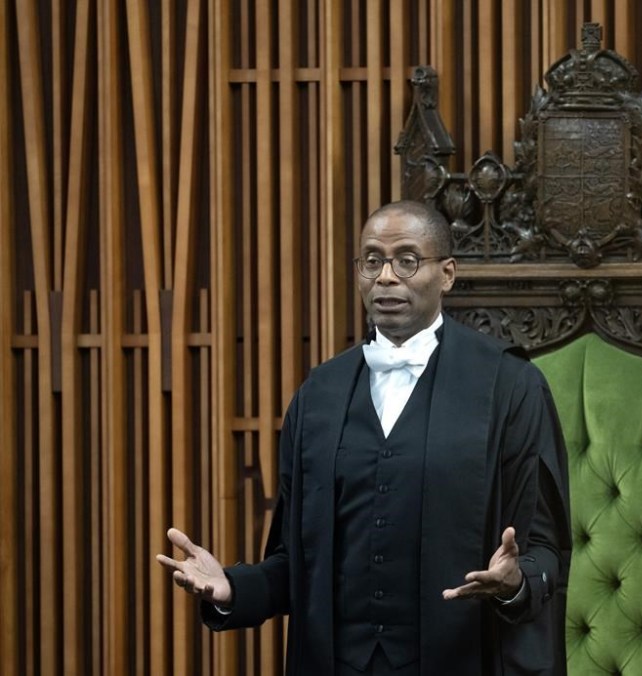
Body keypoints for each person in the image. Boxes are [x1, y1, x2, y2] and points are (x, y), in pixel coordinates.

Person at [157, 200, 572, 675]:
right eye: (372, 261)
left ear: (447, 274)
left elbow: (545, 549)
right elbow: (296, 563)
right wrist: (232, 588)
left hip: (464, 659)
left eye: (407, 260)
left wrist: (515, 583)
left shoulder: (510, 385)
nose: (386, 277)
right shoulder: (319, 395)